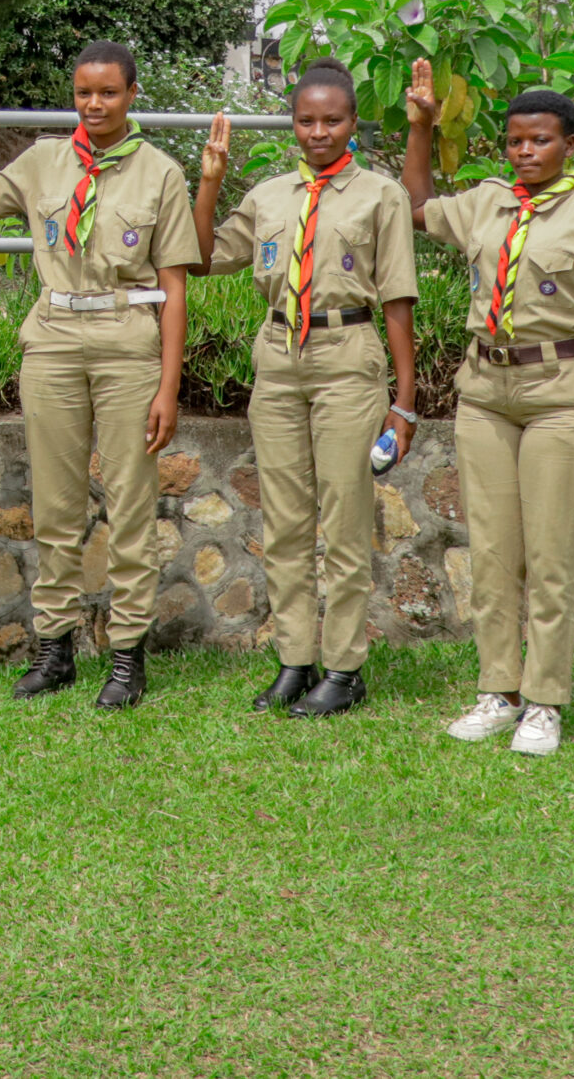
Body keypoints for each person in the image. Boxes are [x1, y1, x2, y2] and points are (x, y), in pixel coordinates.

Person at [0, 44, 202, 710]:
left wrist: (168, 386)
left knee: (129, 504)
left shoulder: (160, 172)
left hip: (126, 341)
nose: (95, 104)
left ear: (132, 94)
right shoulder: (43, 161)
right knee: (56, 507)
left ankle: (126, 656)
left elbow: (174, 285)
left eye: (109, 93)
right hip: (55, 338)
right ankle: (54, 647)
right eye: (84, 93)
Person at [404, 60, 574, 758]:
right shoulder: (487, 203)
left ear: (572, 142)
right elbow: (418, 205)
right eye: (514, 141)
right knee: (491, 549)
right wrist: (422, 127)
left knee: (548, 552)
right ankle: (497, 690)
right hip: (485, 392)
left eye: (539, 140)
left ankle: (543, 700)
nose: (525, 152)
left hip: (558, 395)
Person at [192, 60, 419, 719]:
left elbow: (399, 298)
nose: (318, 131)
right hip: (278, 356)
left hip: (347, 354)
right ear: (292, 122)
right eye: (306, 120)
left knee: (343, 519)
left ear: (352, 123)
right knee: (285, 520)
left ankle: (344, 667)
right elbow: (203, 254)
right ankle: (296, 659)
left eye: (332, 120)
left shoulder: (380, 195)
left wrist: (403, 402)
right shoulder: (267, 196)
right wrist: (210, 183)